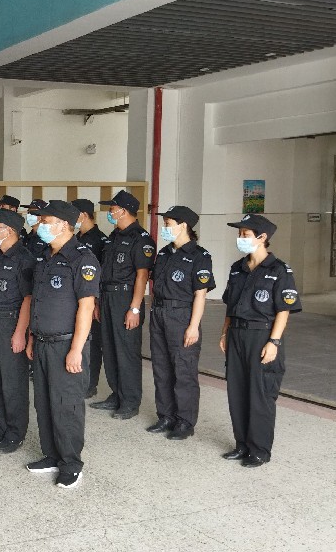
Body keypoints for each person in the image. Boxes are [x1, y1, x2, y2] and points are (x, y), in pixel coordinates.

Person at [26, 200, 100, 489]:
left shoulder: (82, 259)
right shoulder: (45, 257)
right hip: (42, 342)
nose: (40, 226)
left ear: (64, 225)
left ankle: (71, 463)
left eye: (46, 222)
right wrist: (32, 337)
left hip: (66, 344)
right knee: (44, 402)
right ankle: (52, 455)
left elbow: (86, 307)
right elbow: (38, 302)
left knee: (66, 405)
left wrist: (76, 350)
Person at [220, 214, 301, 467]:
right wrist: (224, 332)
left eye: (245, 234)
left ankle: (259, 450)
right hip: (237, 335)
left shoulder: (279, 270)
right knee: (237, 392)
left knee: (260, 394)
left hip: (262, 335)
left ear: (262, 237)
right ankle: (242, 444)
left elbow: (283, 310)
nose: (240, 238)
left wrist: (274, 342)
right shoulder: (238, 268)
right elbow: (230, 305)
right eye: (239, 234)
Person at [147, 206, 215, 440]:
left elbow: (200, 294)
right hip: (159, 313)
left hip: (182, 316)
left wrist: (193, 326)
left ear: (183, 225)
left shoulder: (200, 256)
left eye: (168, 224)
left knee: (183, 370)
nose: (164, 228)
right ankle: (166, 416)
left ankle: (185, 421)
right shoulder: (164, 253)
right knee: (161, 367)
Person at [92, 190, 154, 420]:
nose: (110, 212)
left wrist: (135, 308)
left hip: (126, 299)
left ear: (124, 211)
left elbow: (142, 275)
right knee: (109, 349)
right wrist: (98, 302)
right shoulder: (113, 236)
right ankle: (116, 394)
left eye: (112, 209)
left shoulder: (141, 238)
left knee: (126, 351)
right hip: (107, 297)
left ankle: (130, 401)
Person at [0, 209, 35, 449]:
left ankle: (15, 432)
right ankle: (2, 426)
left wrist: (20, 332)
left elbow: (28, 299)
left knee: (12, 383)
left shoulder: (24, 259)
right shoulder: (0, 257)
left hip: (9, 324)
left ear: (10, 230)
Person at [73, 198, 108, 399]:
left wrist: (96, 302)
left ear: (84, 215)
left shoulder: (100, 240)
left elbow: (100, 275)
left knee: (92, 343)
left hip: (90, 299)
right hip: (74, 298)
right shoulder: (75, 238)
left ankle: (89, 383)